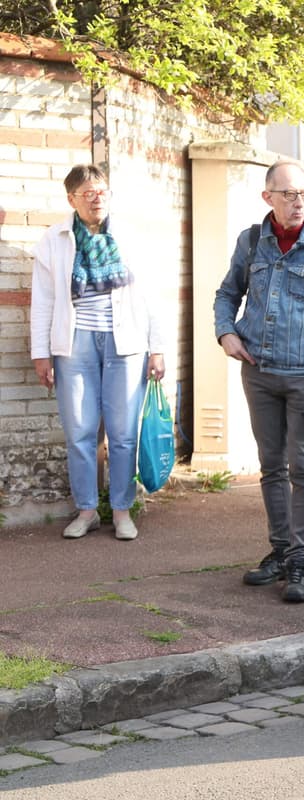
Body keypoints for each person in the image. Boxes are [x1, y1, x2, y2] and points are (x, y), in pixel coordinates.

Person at [214, 158, 304, 603]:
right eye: (289, 194)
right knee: (271, 465)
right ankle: (278, 551)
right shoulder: (251, 241)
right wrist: (226, 332)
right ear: (268, 198)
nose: (299, 202)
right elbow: (227, 293)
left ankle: (299, 560)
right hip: (258, 373)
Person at [31, 164, 166, 542]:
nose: (97, 198)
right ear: (71, 199)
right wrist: (41, 354)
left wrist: (157, 348)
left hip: (127, 343)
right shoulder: (54, 240)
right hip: (74, 343)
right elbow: (42, 301)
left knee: (123, 433)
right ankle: (87, 510)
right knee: (79, 431)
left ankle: (121, 510)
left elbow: (152, 295)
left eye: (102, 191)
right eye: (88, 193)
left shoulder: (131, 236)